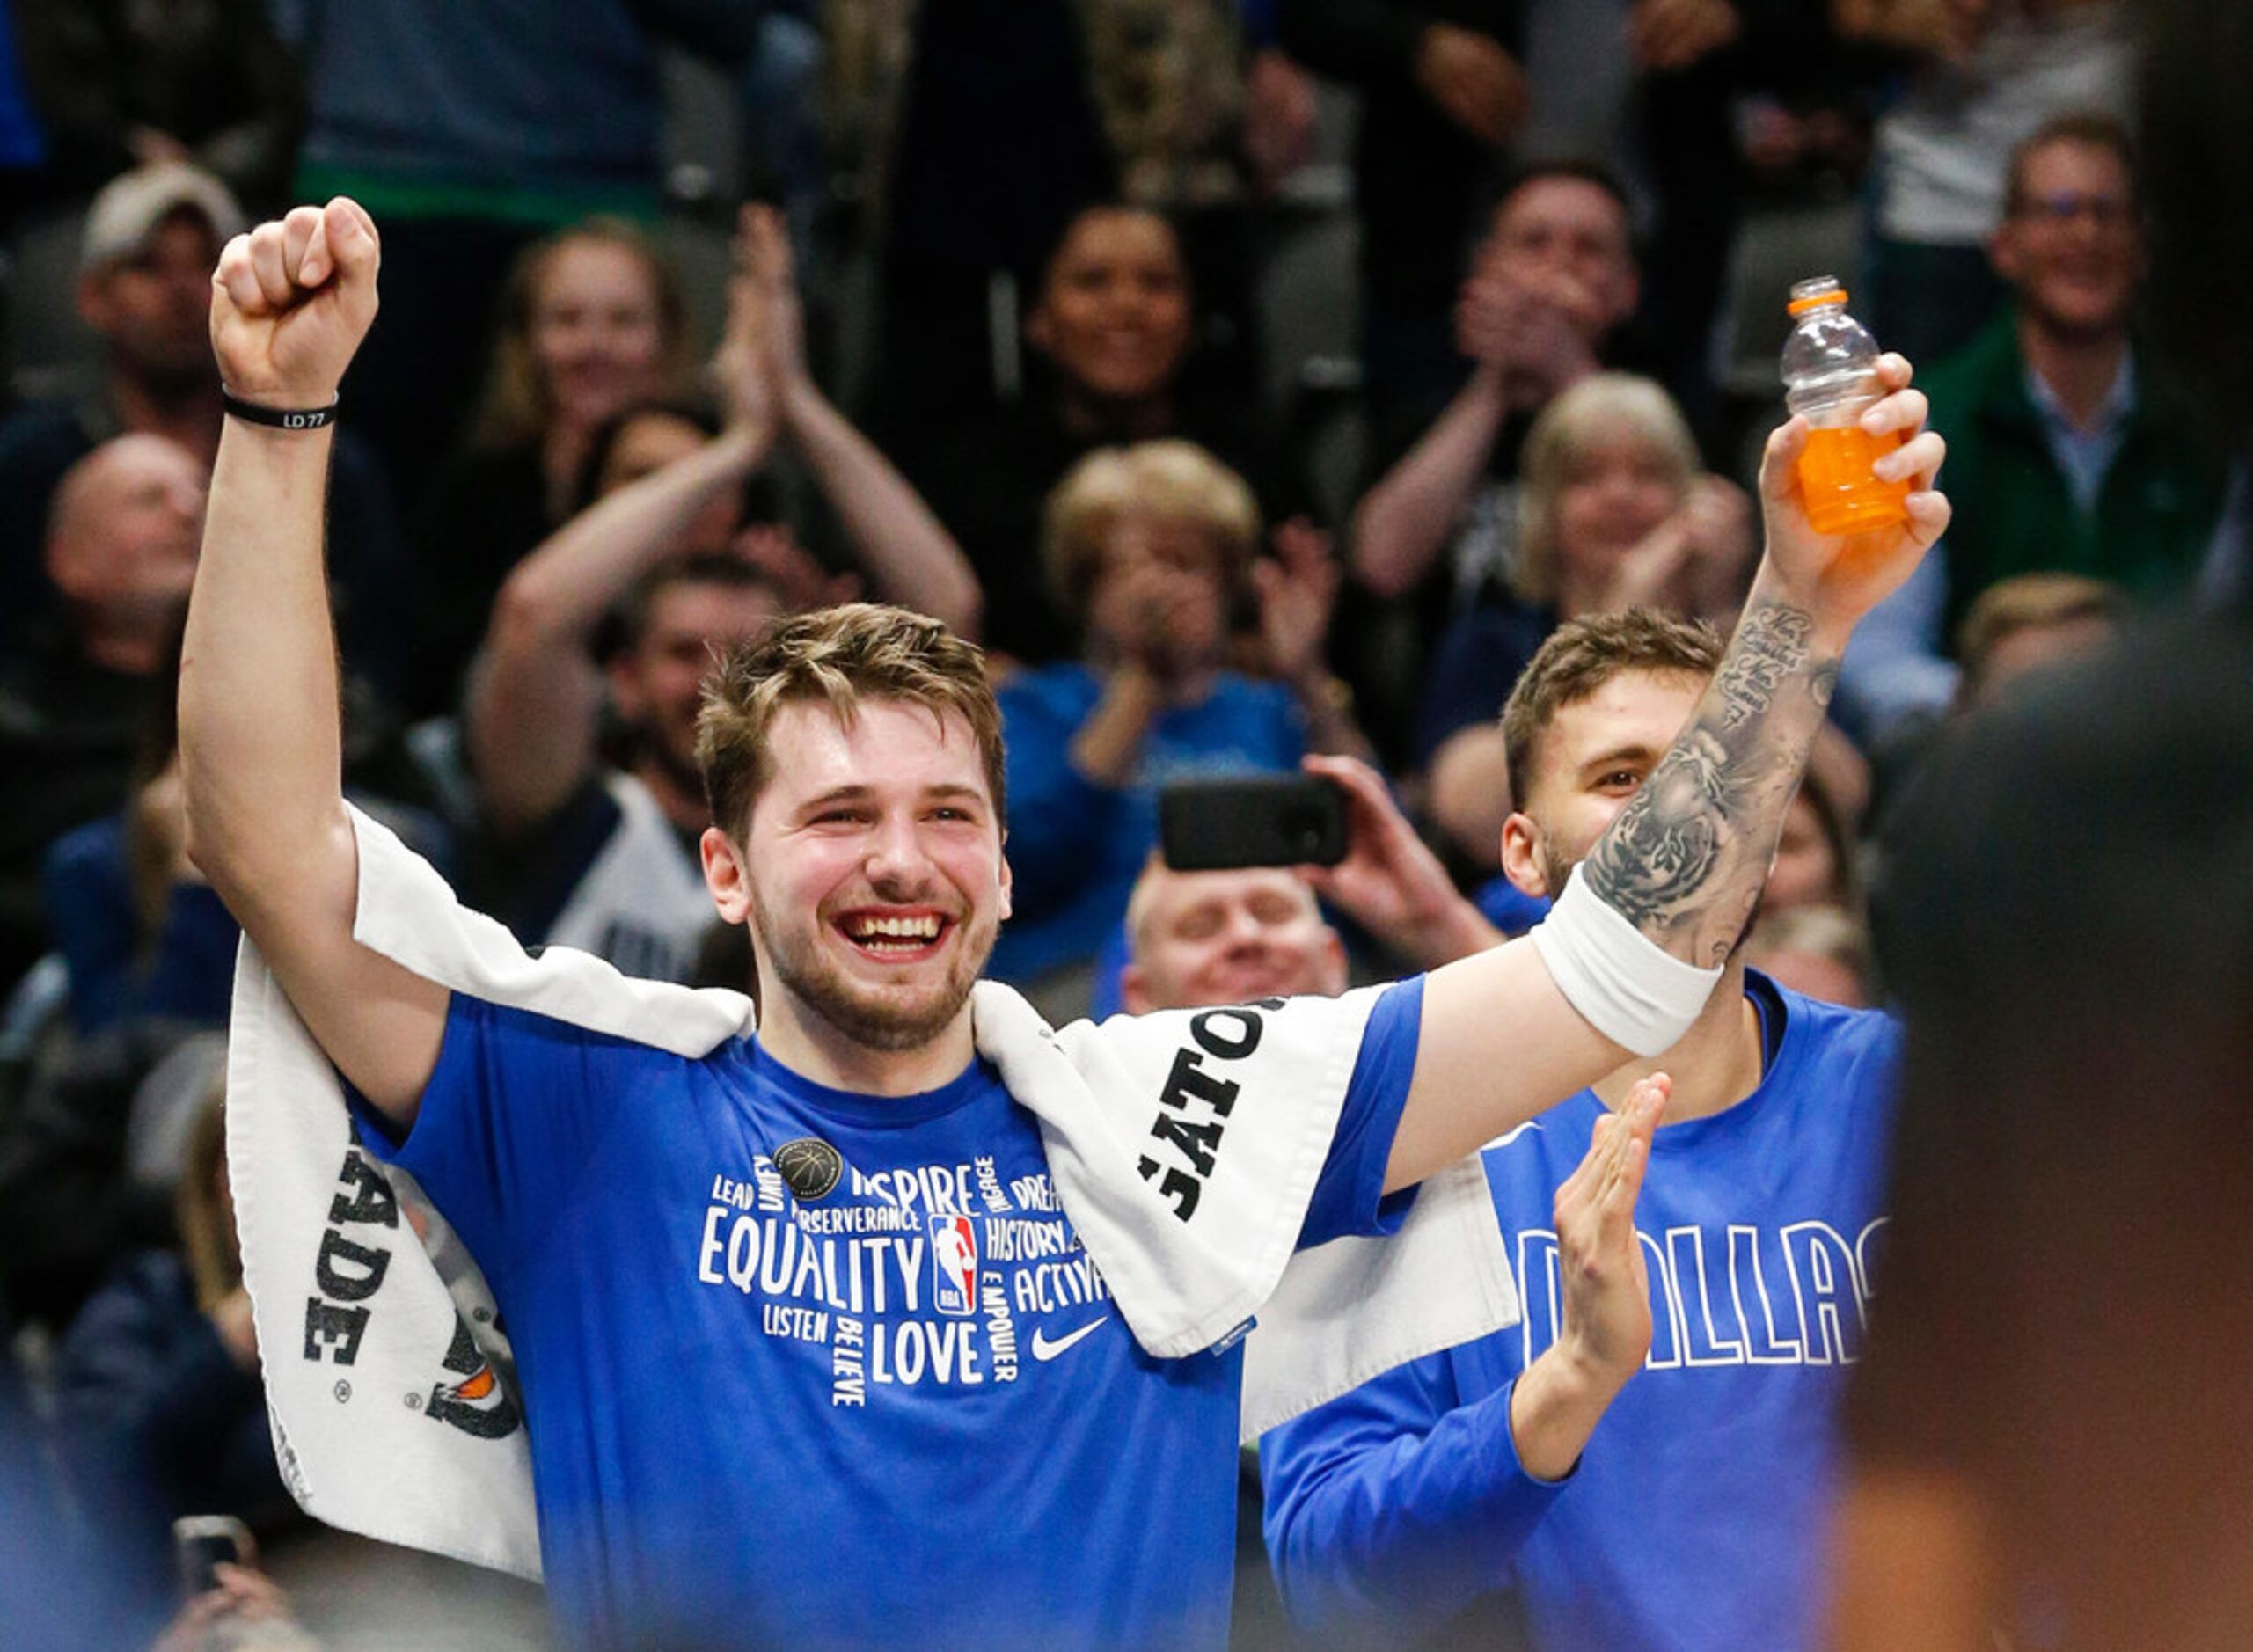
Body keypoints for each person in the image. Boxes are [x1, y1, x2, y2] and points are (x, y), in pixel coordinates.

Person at [178, 195, 1943, 1648]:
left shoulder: (1179, 1120)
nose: (899, 860)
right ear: (723, 873)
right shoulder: (589, 1104)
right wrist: (275, 425)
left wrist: (1788, 610)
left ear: (1010, 872)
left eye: (947, 814)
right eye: (836, 816)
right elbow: (270, 846)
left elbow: (1625, 963)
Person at [1261, 609, 1905, 1650]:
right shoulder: (1404, 1133)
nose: (1673, 814)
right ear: (1521, 848)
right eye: (1619, 779)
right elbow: (1326, 1580)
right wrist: (1563, 1388)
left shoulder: (1904, 1096)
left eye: (1708, 773)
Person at [465, 205, 981, 981]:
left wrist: (794, 401)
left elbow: (950, 608)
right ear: (625, 681)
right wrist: (739, 444)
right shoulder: (570, 809)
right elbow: (532, 617)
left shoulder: (828, 838)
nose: (713, 679)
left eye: (743, 655)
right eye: (680, 653)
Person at [1838, 110, 2228, 737]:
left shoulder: (2210, 425)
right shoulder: (1924, 416)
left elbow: (2230, 629)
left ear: (2143, 248)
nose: (2085, 236)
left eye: (2108, 213)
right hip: (1977, 753)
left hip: (2170, 751)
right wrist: (2006, 714)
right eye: (2058, 211)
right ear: (2004, 247)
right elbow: (1878, 656)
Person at [0, 164, 403, 697]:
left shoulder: (326, 459)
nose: (183, 292)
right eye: (147, 267)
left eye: (206, 264)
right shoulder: (29, 465)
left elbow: (379, 658)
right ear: (92, 298)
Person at [994, 439, 1364, 990]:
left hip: (1274, 976)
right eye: (1140, 566)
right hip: (1082, 983)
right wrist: (1143, 679)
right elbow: (1018, 869)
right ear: (1089, 586)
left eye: (1187, 563)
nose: (1168, 588)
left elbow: (1376, 850)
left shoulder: (1273, 710)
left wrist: (1308, 676)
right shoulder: (1036, 707)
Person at [902, 201, 1311, 666]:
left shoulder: (1256, 462)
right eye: (1092, 281)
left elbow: (1310, 642)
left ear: (1194, 317)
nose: (1127, 305)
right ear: (1037, 318)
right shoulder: (967, 476)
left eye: (1156, 284)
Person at [1414, 373, 1753, 866]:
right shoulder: (1494, 639)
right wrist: (1617, 629)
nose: (1620, 495)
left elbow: (1839, 797)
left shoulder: (1729, 633)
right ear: (1547, 511)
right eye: (1585, 478)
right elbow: (1470, 811)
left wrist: (1729, 617)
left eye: (1648, 475)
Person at [408, 218, 691, 716]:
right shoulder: (476, 486)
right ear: (528, 340)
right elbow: (440, 665)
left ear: (664, 337)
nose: (595, 345)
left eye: (623, 321)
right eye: (567, 320)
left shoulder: (713, 477)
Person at [1350, 164, 1647, 612]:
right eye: (1534, 243)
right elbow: (1382, 566)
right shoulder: (1425, 402)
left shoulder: (1660, 413)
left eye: (1589, 248)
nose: (1559, 263)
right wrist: (1494, 385)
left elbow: (1686, 559)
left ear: (1628, 288)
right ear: (1486, 268)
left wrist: (1566, 369)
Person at [0, 434, 203, 991]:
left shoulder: (328, 711)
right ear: (67, 560)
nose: (189, 512)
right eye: (149, 499)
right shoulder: (19, 733)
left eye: (201, 498)